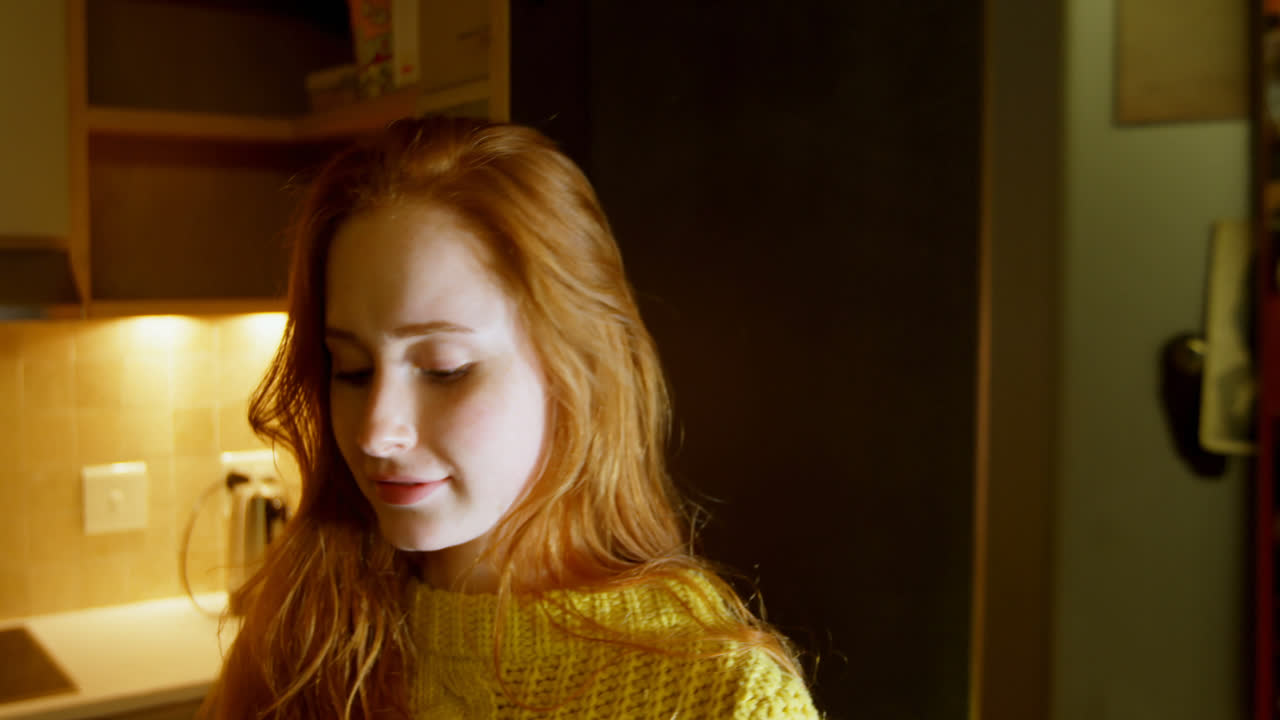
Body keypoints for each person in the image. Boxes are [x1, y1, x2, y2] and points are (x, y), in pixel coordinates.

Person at [199, 117, 820, 719]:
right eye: (354, 370)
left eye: (444, 369)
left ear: (577, 371)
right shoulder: (301, 638)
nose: (376, 432)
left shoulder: (725, 697)